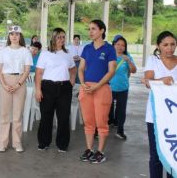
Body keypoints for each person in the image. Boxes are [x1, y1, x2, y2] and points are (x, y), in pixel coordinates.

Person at [78, 19, 117, 164]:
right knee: (88, 121)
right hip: (86, 88)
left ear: (102, 31)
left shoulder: (109, 49)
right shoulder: (87, 48)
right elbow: (81, 68)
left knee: (101, 122)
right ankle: (89, 150)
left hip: (102, 88)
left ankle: (100, 152)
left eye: (93, 29)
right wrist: (82, 84)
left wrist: (98, 85)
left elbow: (111, 70)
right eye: (89, 29)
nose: (90, 32)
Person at [35, 28, 76, 152]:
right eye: (59, 37)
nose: (61, 40)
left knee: (63, 117)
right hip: (47, 87)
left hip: (64, 88)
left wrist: (71, 83)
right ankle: (44, 142)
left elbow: (73, 70)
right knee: (46, 116)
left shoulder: (68, 53)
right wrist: (38, 90)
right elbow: (38, 73)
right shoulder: (45, 53)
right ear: (53, 38)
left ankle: (62, 145)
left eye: (63, 37)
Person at [142, 31, 176, 178]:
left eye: (173, 44)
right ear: (158, 46)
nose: (170, 48)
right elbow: (148, 82)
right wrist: (162, 80)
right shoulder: (153, 60)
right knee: (156, 156)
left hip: (174, 116)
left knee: (173, 155)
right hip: (155, 116)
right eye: (165, 45)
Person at [0, 25, 32, 152]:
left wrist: (18, 84)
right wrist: (4, 84)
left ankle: (17, 143)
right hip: (5, 80)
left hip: (20, 81)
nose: (14, 36)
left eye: (17, 34)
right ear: (9, 36)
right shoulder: (3, 51)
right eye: (12, 34)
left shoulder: (25, 51)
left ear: (20, 36)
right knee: (4, 115)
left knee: (17, 115)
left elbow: (27, 70)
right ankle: (2, 142)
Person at [108, 35, 137, 140]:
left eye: (123, 45)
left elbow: (134, 70)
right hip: (109, 87)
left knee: (121, 110)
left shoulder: (127, 56)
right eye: (118, 44)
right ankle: (110, 122)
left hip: (123, 88)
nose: (120, 47)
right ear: (114, 45)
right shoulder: (109, 55)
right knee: (108, 108)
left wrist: (129, 61)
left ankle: (120, 130)